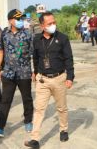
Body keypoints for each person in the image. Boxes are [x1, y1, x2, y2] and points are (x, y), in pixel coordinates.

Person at [24, 12, 74, 149]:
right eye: (49, 23)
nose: (53, 25)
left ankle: (63, 129)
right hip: (43, 80)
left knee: (61, 108)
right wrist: (35, 72)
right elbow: (35, 57)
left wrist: (70, 77)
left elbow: (69, 59)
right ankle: (34, 138)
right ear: (42, 26)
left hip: (59, 78)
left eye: (54, 22)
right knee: (39, 109)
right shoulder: (37, 39)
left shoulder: (62, 38)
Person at [0, 9, 34, 137]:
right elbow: (0, 51)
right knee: (5, 100)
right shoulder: (4, 34)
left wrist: (35, 70)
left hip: (24, 73)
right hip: (8, 73)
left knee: (27, 98)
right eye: (17, 19)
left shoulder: (28, 34)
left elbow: (34, 53)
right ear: (10, 21)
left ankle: (28, 121)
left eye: (21, 19)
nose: (20, 21)